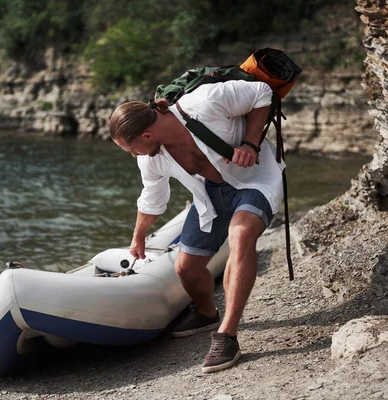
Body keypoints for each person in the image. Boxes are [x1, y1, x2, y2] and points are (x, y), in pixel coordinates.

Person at [109, 80, 284, 373]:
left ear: (147, 134)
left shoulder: (204, 103)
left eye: (131, 148)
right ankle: (207, 313)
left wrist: (250, 142)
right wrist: (138, 237)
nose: (133, 155)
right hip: (209, 194)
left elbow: (261, 93)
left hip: (254, 179)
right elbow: (152, 198)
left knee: (240, 234)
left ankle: (227, 335)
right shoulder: (152, 158)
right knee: (186, 268)